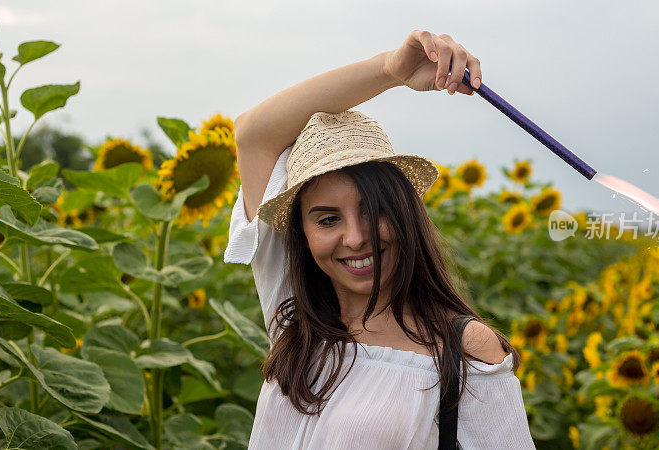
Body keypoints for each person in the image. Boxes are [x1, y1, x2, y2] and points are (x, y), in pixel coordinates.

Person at [224, 30, 536, 449]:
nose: (355, 238)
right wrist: (389, 68)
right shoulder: (296, 318)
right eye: (327, 219)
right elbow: (251, 133)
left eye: (374, 211)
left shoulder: (461, 349)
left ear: (404, 214)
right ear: (302, 234)